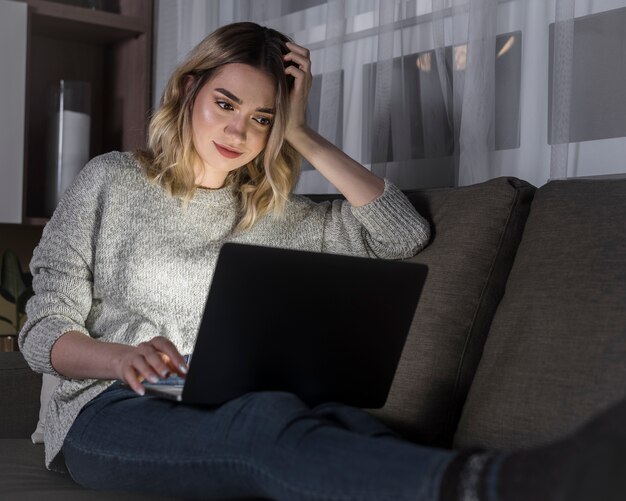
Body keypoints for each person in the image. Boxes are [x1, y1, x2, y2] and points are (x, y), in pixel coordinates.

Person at [18, 21, 625, 501]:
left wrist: (302, 132)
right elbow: (41, 332)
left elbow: (400, 235)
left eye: (261, 118)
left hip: (215, 400)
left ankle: (517, 480)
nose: (238, 130)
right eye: (225, 104)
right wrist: (124, 358)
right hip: (102, 411)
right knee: (260, 428)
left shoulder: (276, 213)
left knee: (329, 419)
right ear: (187, 89)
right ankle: (499, 484)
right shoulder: (112, 181)